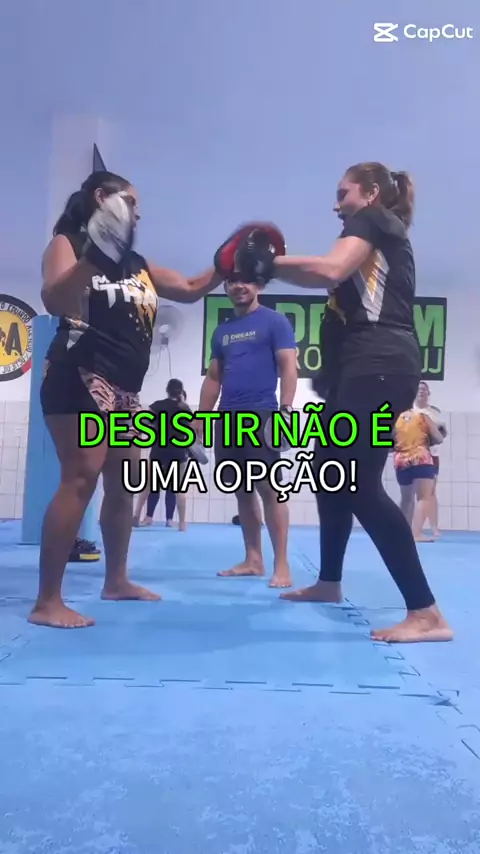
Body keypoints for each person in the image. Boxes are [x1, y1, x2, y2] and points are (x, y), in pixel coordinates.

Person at [235, 161, 453, 643]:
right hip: (365, 369)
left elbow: (329, 268)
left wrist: (264, 264)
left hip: (380, 365)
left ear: (371, 193)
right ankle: (329, 582)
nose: (337, 205)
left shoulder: (373, 220)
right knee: (329, 471)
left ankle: (427, 613)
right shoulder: (372, 233)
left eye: (343, 193)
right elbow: (330, 277)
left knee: (358, 484)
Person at [29, 170, 222, 629]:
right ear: (103, 198)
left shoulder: (138, 264)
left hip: (125, 389)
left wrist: (230, 259)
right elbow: (55, 299)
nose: (138, 213)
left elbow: (191, 288)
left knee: (123, 483)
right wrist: (94, 258)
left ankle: (116, 580)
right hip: (80, 373)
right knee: (81, 478)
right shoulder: (68, 244)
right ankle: (47, 602)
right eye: (131, 203)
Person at [197, 260, 298, 588]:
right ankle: (253, 559)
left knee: (270, 489)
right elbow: (214, 378)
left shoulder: (275, 322)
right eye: (231, 281)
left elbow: (288, 366)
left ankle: (281, 564)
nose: (238, 286)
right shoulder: (222, 331)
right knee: (241, 490)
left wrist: (286, 410)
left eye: (245, 280)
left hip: (262, 415)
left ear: (259, 286)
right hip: (227, 418)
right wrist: (202, 417)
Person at [133, 378, 190, 530]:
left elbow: (143, 422)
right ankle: (180, 523)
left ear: (167, 390)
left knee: (149, 485)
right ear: (181, 391)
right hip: (178, 451)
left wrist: (155, 427)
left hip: (159, 449)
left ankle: (140, 516)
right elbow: (191, 431)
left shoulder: (157, 406)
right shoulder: (185, 409)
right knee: (178, 489)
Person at [393, 405, 444, 542]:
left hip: (401, 461)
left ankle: (402, 532)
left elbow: (389, 444)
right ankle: (416, 533)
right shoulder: (422, 416)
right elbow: (439, 438)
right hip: (421, 459)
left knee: (406, 498)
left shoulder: (395, 418)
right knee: (424, 497)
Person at [414, 380, 445, 537]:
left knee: (430, 492)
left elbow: (442, 434)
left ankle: (434, 527)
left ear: (429, 393)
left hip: (431, 454)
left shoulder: (434, 412)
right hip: (411, 454)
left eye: (424, 389)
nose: (421, 391)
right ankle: (412, 527)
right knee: (410, 493)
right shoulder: (408, 410)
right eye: (419, 389)